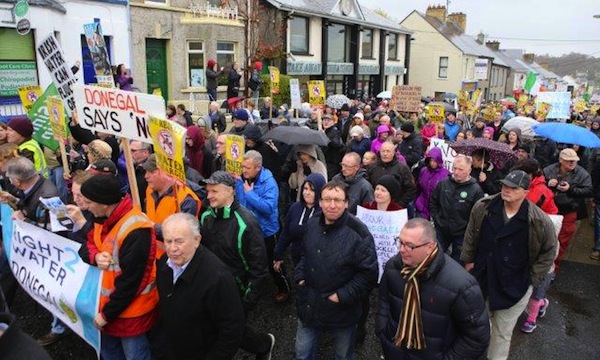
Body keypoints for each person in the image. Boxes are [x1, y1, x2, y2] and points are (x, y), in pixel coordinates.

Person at [461, 170, 558, 360]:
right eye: (505, 185)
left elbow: (549, 251)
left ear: (526, 192)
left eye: (513, 188)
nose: (507, 190)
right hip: (482, 277)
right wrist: (468, 260)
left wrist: (532, 278)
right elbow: (471, 233)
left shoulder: (538, 220)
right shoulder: (484, 207)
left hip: (514, 284)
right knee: (474, 324)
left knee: (502, 333)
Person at [376, 218, 490, 359]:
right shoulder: (393, 267)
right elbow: (384, 300)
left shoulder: (461, 285)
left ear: (430, 247)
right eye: (400, 242)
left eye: (410, 246)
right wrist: (383, 330)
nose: (401, 250)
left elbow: (476, 338)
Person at [78, 174, 158, 359]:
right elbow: (87, 244)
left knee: (135, 355)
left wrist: (106, 315)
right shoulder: (99, 216)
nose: (85, 206)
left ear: (104, 202)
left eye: (89, 202)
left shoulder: (137, 230)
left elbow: (132, 281)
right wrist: (95, 256)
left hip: (130, 313)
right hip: (106, 307)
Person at [294, 181, 378, 359]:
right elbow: (304, 254)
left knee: (343, 356)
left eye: (338, 200)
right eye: (327, 199)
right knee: (302, 354)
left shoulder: (360, 233)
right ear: (320, 202)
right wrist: (300, 276)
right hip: (309, 304)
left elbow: (368, 274)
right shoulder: (312, 223)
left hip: (342, 312)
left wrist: (341, 296)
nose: (332, 205)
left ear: (346, 203)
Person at [199, 171, 275, 359]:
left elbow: (259, 268)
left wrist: (246, 302)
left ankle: (264, 344)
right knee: (224, 331)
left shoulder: (247, 222)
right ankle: (264, 344)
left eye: (214, 191)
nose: (209, 196)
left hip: (237, 292)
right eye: (208, 191)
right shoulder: (206, 216)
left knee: (228, 336)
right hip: (212, 289)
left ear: (230, 192)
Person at [156, 213, 245, 359]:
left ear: (196, 240)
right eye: (168, 241)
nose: (172, 248)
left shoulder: (217, 277)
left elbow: (232, 329)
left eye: (179, 241)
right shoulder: (164, 263)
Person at [236, 151, 290, 302]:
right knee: (249, 260)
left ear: (258, 167)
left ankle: (284, 288)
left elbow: (268, 208)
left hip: (267, 230)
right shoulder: (240, 179)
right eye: (242, 167)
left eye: (247, 167)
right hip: (247, 228)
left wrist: (250, 194)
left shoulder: (269, 182)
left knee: (274, 263)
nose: (244, 170)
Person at [543, 148, 593, 273]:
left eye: (574, 161)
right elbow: (538, 184)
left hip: (569, 211)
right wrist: (547, 183)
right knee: (545, 238)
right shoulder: (549, 170)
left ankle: (554, 269)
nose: (572, 163)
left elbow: (588, 191)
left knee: (562, 241)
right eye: (568, 161)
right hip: (549, 210)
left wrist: (570, 190)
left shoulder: (582, 174)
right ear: (561, 160)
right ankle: (543, 265)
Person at [429, 155, 484, 261]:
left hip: (461, 234)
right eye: (454, 168)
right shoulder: (444, 184)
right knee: (433, 258)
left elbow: (477, 215)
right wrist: (437, 218)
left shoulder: (476, 190)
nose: (457, 172)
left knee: (457, 262)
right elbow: (433, 201)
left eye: (461, 169)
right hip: (441, 229)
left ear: (469, 170)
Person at [274, 173, 325, 271]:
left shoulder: (325, 212)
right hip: (296, 259)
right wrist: (278, 254)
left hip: (317, 264)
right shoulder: (295, 208)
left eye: (312, 190)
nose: (307, 193)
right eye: (305, 189)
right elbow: (286, 233)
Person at [143, 154, 201, 241]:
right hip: (150, 251)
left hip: (173, 253)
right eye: (146, 171)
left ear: (166, 173)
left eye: (152, 172)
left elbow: (180, 233)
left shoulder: (186, 200)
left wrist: (151, 227)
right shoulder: (150, 190)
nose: (146, 176)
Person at [367, 141, 416, 209]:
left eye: (388, 151)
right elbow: (368, 187)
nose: (385, 154)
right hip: (376, 207)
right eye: (383, 151)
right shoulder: (372, 167)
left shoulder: (402, 168)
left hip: (396, 209)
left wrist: (399, 205)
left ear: (393, 153)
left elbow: (411, 189)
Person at [414, 147, 450, 220]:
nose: (432, 163)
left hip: (435, 210)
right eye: (430, 161)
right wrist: (416, 201)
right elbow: (418, 188)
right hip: (421, 207)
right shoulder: (424, 171)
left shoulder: (446, 174)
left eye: (435, 161)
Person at [321, 114, 345, 179]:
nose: (326, 122)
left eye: (328, 120)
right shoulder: (323, 132)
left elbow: (336, 144)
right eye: (324, 120)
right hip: (324, 160)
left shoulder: (335, 132)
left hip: (332, 163)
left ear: (333, 122)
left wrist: (325, 137)